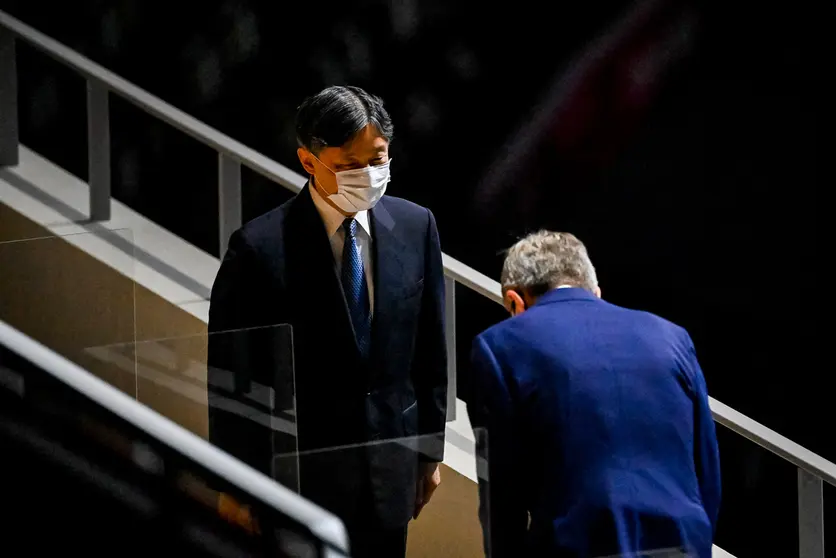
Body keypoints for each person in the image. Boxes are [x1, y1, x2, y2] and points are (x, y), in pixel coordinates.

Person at [207, 85, 447, 557]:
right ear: (309, 162)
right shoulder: (258, 248)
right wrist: (233, 482)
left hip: (390, 475)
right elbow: (233, 374)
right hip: (299, 482)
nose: (368, 175)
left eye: (377, 160)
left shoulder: (418, 227)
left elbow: (431, 350)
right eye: (349, 166)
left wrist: (429, 452)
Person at [467, 231, 721, 558]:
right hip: (685, 543)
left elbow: (504, 496)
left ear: (515, 301)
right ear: (595, 292)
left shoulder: (498, 346)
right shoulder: (672, 337)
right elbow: (707, 470)